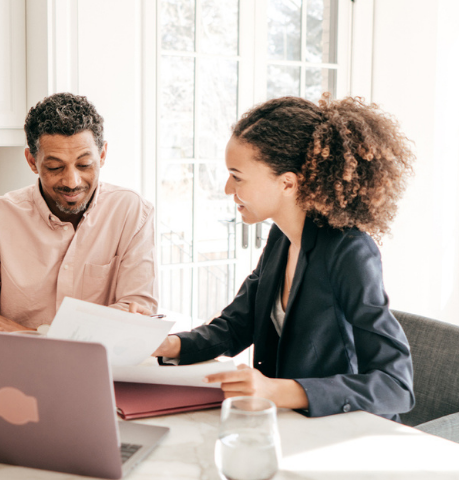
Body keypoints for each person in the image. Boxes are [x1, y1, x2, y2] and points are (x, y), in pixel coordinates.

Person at [152, 95, 417, 420]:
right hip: (287, 424)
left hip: (339, 430)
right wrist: (166, 345)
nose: (226, 188)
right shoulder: (281, 237)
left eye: (237, 176)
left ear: (287, 183)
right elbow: (236, 326)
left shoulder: (349, 251)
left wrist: (275, 391)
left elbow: (395, 386)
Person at [0, 92, 156, 332]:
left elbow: (138, 314)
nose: (72, 181)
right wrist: (95, 327)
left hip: (101, 368)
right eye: (55, 167)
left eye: (84, 165)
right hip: (15, 368)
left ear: (102, 156)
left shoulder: (133, 213)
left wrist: (29, 333)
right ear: (31, 161)